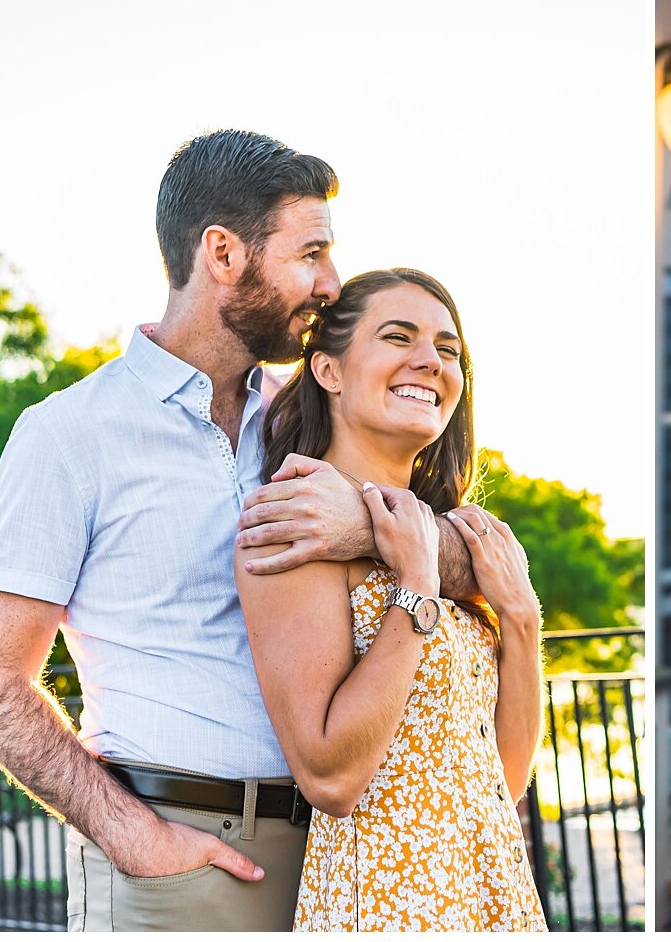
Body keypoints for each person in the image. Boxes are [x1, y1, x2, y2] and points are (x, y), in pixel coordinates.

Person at [0, 130, 486, 931]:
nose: (331, 284)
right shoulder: (70, 433)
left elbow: (460, 554)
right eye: (310, 254)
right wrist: (137, 837)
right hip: (180, 863)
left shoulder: (308, 418)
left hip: (334, 864)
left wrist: (366, 528)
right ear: (223, 252)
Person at [234, 268, 546, 931]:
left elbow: (502, 778)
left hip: (485, 894)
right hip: (385, 904)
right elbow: (331, 778)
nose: (430, 361)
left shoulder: (460, 537)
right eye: (397, 336)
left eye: (448, 349)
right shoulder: (296, 526)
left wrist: (521, 619)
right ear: (329, 370)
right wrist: (416, 589)